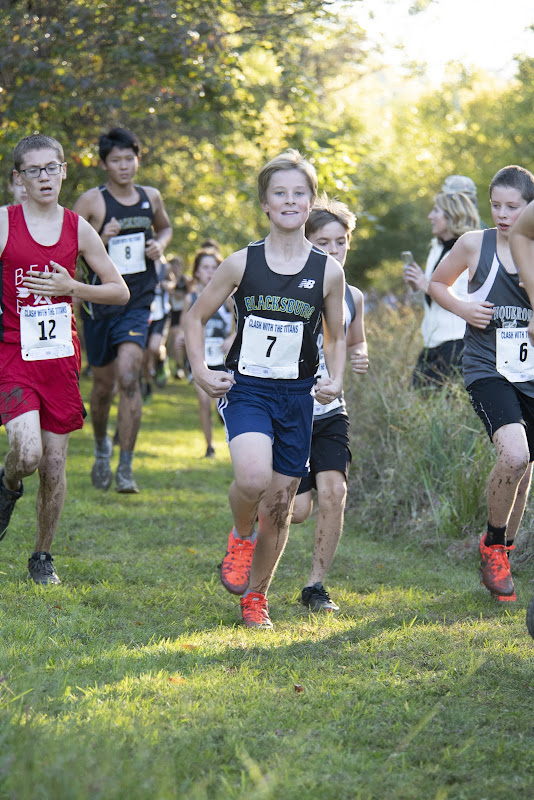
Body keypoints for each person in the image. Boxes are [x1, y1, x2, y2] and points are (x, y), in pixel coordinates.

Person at [184, 149, 346, 629]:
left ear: (311, 201)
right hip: (248, 388)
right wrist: (199, 369)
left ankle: (256, 597)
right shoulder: (241, 264)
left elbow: (335, 336)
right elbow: (194, 318)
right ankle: (239, 535)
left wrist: (334, 379)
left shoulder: (328, 272)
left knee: (279, 507)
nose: (290, 201)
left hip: (296, 397)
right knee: (253, 480)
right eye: (280, 193)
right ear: (266, 204)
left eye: (299, 193)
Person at [0, 134, 129, 584]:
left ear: (63, 171)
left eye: (51, 168)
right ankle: (9, 482)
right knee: (29, 453)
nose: (44, 177)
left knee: (54, 466)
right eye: (33, 170)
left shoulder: (78, 227)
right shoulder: (4, 223)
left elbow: (119, 290)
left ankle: (42, 556)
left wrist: (71, 287)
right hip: (14, 355)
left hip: (59, 359)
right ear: (19, 178)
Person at [429, 165, 534, 604]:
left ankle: (503, 553)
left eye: (514, 206)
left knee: (525, 467)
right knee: (514, 453)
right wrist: (463, 309)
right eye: (496, 205)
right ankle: (493, 544)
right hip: (487, 368)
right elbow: (437, 283)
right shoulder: (475, 244)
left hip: (529, 374)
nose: (504, 214)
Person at [73, 127, 172, 494]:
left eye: (129, 159)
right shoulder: (91, 202)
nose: (124, 166)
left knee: (130, 375)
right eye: (116, 161)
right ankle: (102, 448)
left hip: (137, 299)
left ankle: (126, 467)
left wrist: (159, 246)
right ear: (104, 164)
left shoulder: (151, 197)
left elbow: (165, 228)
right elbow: (67, 247)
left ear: (138, 159)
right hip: (100, 304)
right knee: (102, 387)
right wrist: (102, 236)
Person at [291, 195, 368, 612]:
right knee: (298, 510)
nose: (333, 251)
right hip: (288, 409)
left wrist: (360, 354)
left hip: (330, 410)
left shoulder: (353, 296)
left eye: (340, 242)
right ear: (306, 242)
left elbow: (355, 340)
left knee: (334, 491)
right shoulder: (290, 288)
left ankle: (315, 586)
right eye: (322, 243)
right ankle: (248, 535)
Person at [403, 191, 480, 389]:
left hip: (456, 340)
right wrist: (416, 284)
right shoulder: (436, 248)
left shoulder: (471, 249)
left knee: (446, 400)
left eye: (436, 210)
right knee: (419, 393)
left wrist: (425, 284)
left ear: (451, 215)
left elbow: (461, 297)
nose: (430, 216)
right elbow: (432, 292)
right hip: (432, 339)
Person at [179, 247, 234, 458]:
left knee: (228, 404)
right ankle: (209, 446)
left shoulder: (228, 297)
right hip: (200, 358)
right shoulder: (190, 297)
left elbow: (242, 323)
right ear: (197, 272)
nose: (210, 272)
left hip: (223, 358)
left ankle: (234, 441)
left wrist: (232, 337)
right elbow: (186, 325)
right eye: (205, 267)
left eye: (214, 267)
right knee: (204, 401)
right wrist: (181, 338)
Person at [141, 258, 176, 401]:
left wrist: (168, 285)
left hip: (161, 314)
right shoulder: (139, 262)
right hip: (144, 313)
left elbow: (173, 282)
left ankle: (161, 363)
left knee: (155, 347)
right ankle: (147, 384)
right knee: (144, 355)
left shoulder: (164, 265)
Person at [167, 256, 189, 380]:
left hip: (183, 311)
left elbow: (191, 293)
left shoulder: (184, 280)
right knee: (174, 339)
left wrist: (178, 294)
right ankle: (178, 365)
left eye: (177, 266)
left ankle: (183, 365)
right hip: (171, 312)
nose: (175, 268)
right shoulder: (167, 280)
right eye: (173, 266)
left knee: (180, 336)